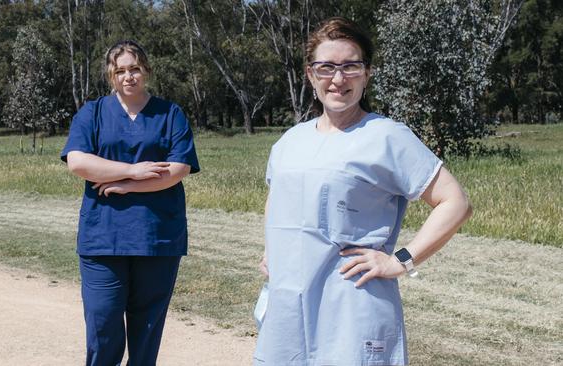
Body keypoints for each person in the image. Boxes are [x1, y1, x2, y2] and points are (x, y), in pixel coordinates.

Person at [254, 17, 472, 366]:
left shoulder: (387, 136)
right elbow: (276, 197)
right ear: (310, 75)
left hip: (351, 303)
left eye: (351, 66)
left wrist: (401, 261)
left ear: (367, 74)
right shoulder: (290, 141)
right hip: (288, 304)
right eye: (326, 67)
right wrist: (271, 248)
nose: (338, 79)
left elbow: (455, 202)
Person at [61, 40, 200, 366]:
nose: (128, 77)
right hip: (103, 239)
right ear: (111, 76)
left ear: (146, 70)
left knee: (147, 330)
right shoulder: (92, 112)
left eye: (134, 68)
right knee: (103, 322)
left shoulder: (170, 114)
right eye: (120, 70)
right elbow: (78, 162)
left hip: (156, 237)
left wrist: (125, 185)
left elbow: (177, 170)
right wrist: (134, 170)